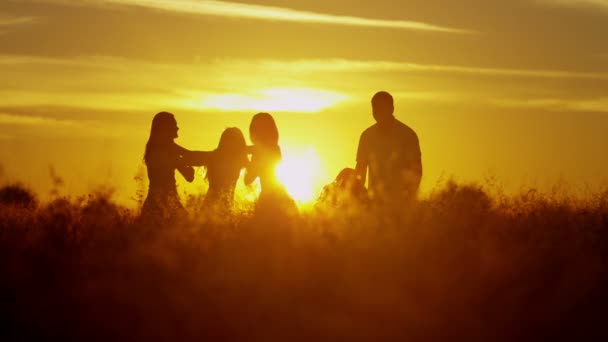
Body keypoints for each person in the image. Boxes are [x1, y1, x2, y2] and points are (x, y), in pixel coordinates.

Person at [355, 91, 422, 202]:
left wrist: (408, 197)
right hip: (375, 204)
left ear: (391, 108)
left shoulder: (407, 135)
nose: (378, 112)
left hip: (402, 205)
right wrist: (362, 198)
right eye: (375, 108)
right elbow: (360, 170)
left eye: (382, 108)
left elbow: (417, 170)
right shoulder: (367, 136)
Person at [141, 112, 194, 224]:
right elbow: (190, 160)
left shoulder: (154, 147)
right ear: (166, 128)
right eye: (174, 125)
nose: (177, 128)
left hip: (153, 202)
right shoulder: (167, 149)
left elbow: (188, 158)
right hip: (168, 202)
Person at [183, 127, 249, 213]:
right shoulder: (215, 157)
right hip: (211, 206)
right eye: (230, 141)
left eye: (235, 141)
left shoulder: (239, 159)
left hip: (226, 206)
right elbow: (193, 156)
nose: (233, 144)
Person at [245, 113, 296, 214]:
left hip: (268, 200)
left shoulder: (258, 152)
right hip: (281, 195)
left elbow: (248, 180)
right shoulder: (276, 148)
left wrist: (245, 161)